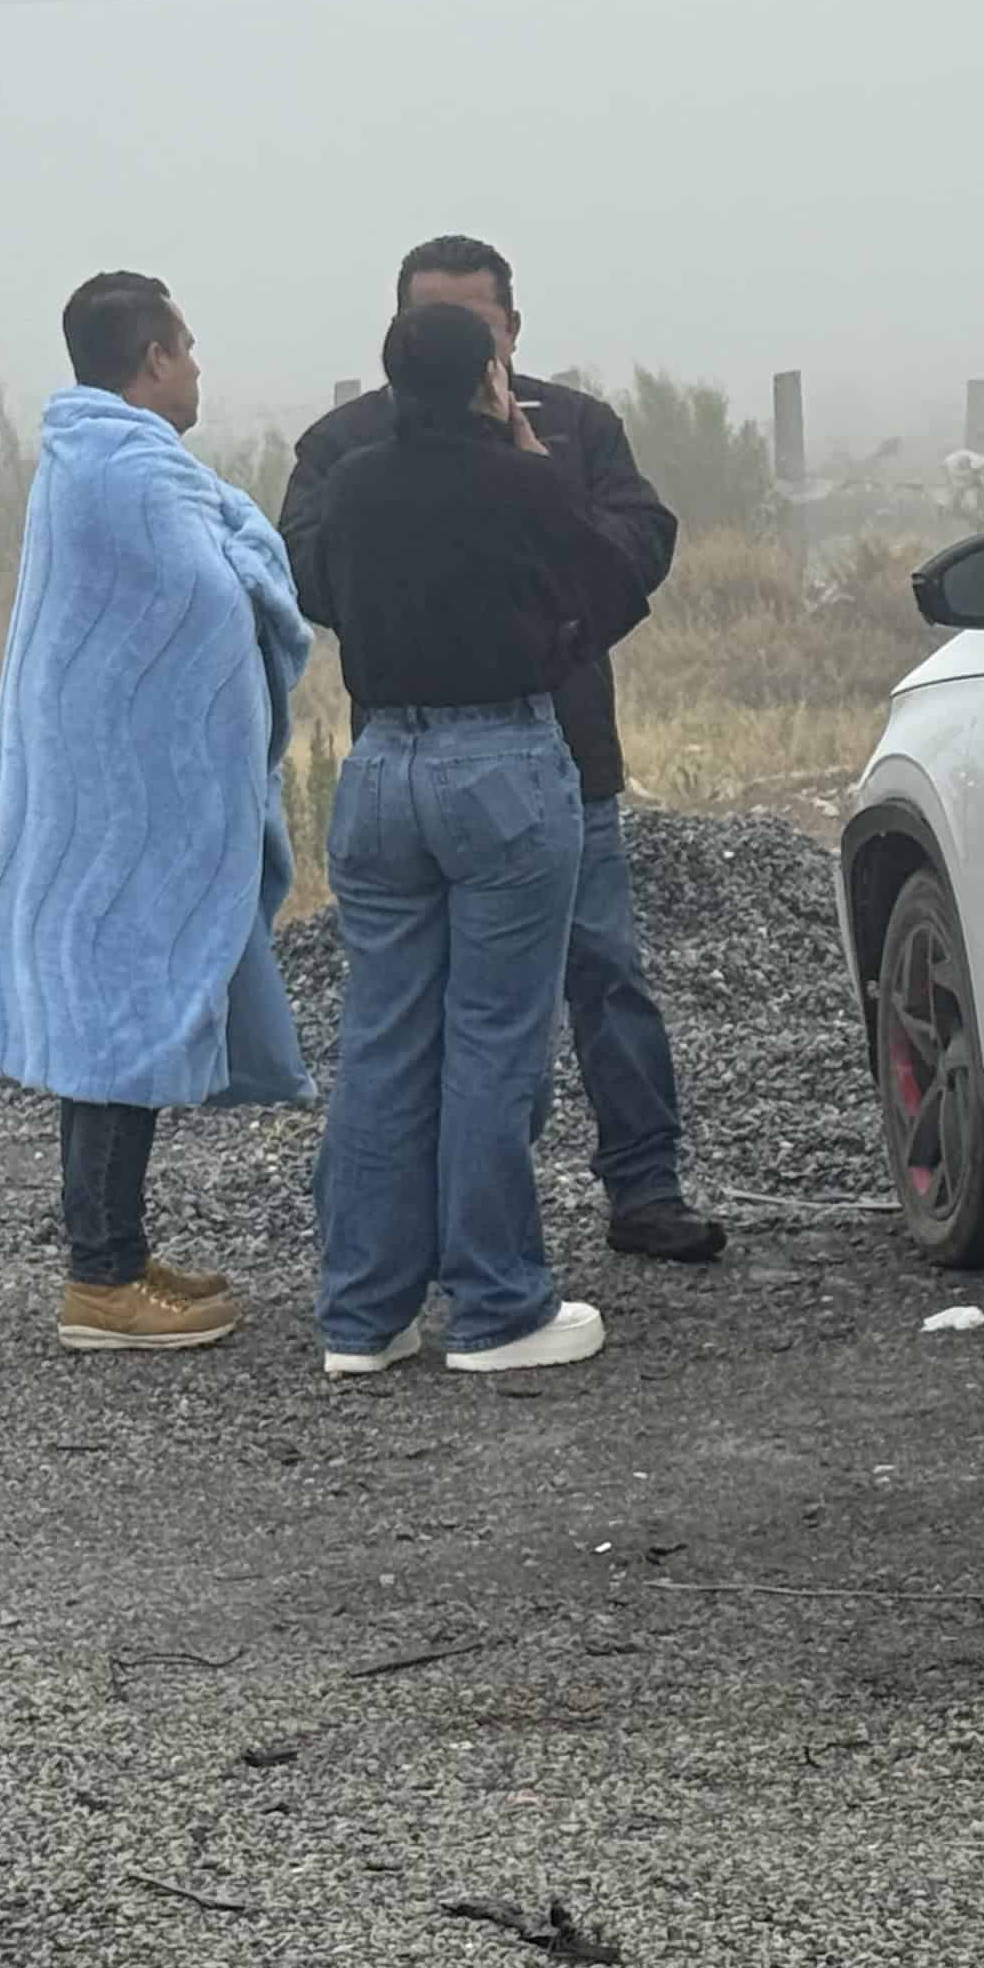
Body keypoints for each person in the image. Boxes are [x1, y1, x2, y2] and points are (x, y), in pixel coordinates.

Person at [281, 237, 726, 1265]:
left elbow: (633, 551)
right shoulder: (342, 447)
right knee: (435, 1022)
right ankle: (457, 1248)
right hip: (429, 752)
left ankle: (641, 1186)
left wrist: (549, 637)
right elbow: (308, 572)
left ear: (512, 331)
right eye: (438, 323)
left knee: (602, 972)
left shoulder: (573, 428)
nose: (463, 346)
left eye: (478, 325)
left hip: (565, 749)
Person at [0, 273, 313, 1353]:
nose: (200, 368)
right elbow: (210, 601)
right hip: (118, 813)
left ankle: (118, 1253)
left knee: (122, 1019)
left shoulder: (97, 459)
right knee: (116, 1027)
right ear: (153, 359)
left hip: (103, 805)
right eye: (189, 349)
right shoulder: (122, 470)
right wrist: (257, 555)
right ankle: (100, 1284)